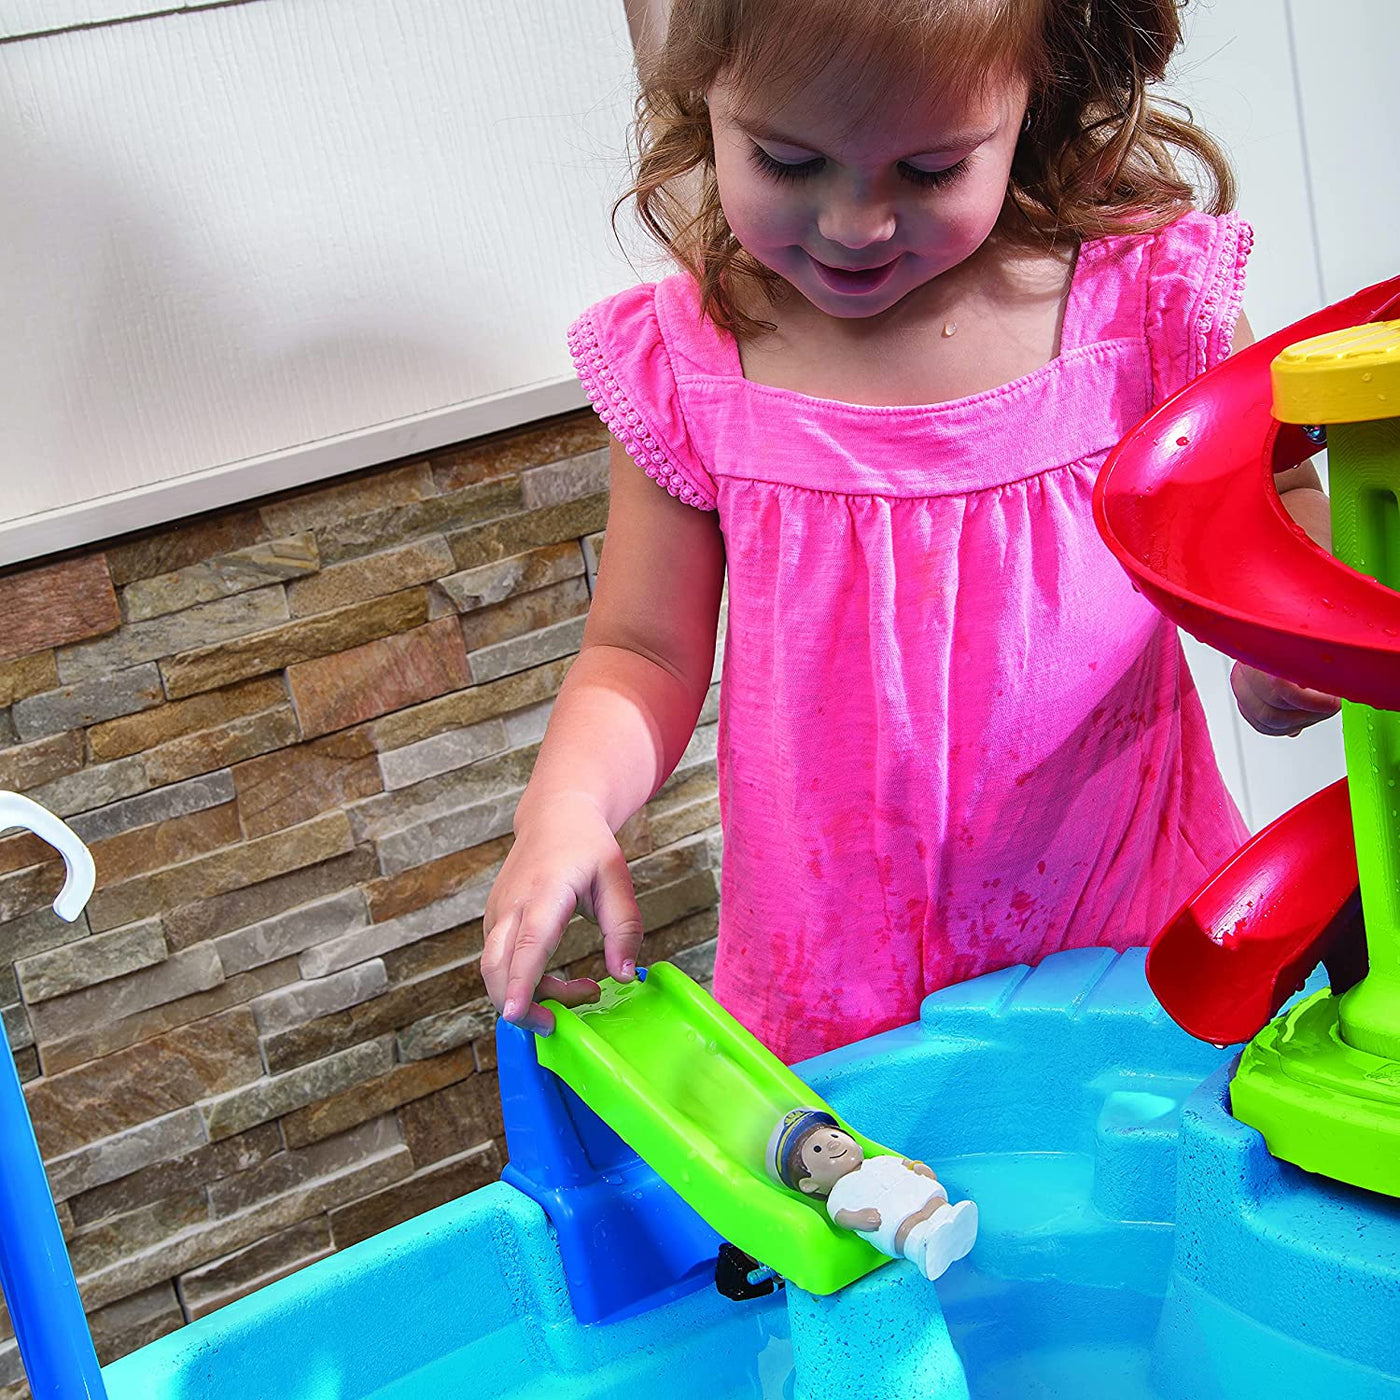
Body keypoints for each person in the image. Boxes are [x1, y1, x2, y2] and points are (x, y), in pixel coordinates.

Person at [482, 0, 1339, 1063]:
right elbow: (639, 652)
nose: (853, 222)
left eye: (929, 170)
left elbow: (1278, 510)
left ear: (1035, 92)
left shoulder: (1142, 309)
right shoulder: (692, 364)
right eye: (787, 160)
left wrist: (1278, 643)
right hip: (836, 996)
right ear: (704, 98)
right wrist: (563, 805)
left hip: (1128, 950)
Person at [766, 1107, 978, 1282]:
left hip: (914, 1191)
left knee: (934, 1203)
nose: (832, 1143)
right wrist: (858, 1219)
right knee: (905, 1228)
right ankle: (922, 1248)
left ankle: (952, 1222)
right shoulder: (839, 1192)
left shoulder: (878, 1160)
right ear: (809, 1185)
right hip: (890, 1215)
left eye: (834, 1135)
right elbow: (840, 1217)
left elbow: (906, 1164)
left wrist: (918, 1168)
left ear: (857, 1145)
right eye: (818, 1150)